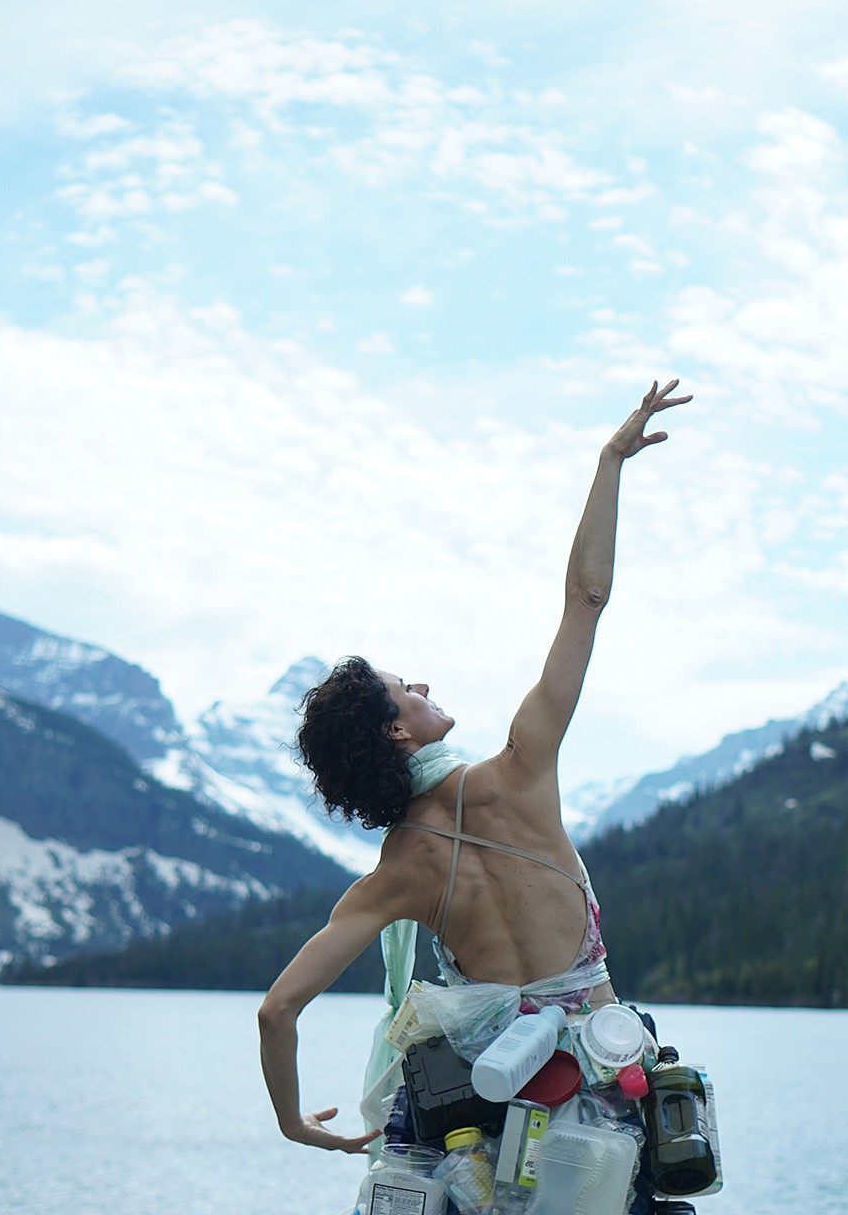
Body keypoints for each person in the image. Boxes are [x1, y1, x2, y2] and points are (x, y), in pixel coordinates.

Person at [258, 378, 692, 1153]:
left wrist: (292, 1122)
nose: (421, 684)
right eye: (404, 688)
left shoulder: (392, 877)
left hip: (487, 1122)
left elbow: (276, 1010)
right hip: (605, 1085)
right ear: (395, 732)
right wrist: (609, 463)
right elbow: (585, 600)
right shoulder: (522, 767)